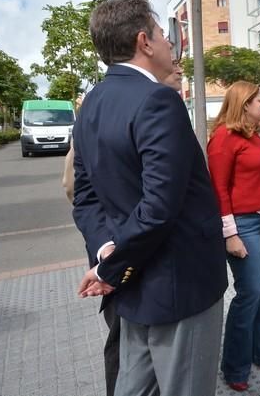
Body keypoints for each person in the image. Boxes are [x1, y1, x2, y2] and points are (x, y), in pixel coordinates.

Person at [72, 0, 227, 396]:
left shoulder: (90, 106)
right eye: (163, 34)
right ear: (144, 41)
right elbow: (160, 206)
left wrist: (107, 250)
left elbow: (86, 197)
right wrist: (111, 267)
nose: (170, 44)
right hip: (179, 287)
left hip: (131, 286)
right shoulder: (158, 99)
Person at [61, 58, 185, 396]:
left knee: (145, 354)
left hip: (134, 257)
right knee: (124, 345)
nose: (179, 69)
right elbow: (79, 190)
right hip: (127, 258)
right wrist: (109, 254)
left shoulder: (165, 108)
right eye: (175, 67)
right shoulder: (102, 110)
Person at [207, 81, 260, 392]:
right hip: (245, 225)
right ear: (244, 104)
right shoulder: (223, 138)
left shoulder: (254, 135)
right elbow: (218, 190)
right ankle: (234, 366)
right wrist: (230, 235)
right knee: (249, 293)